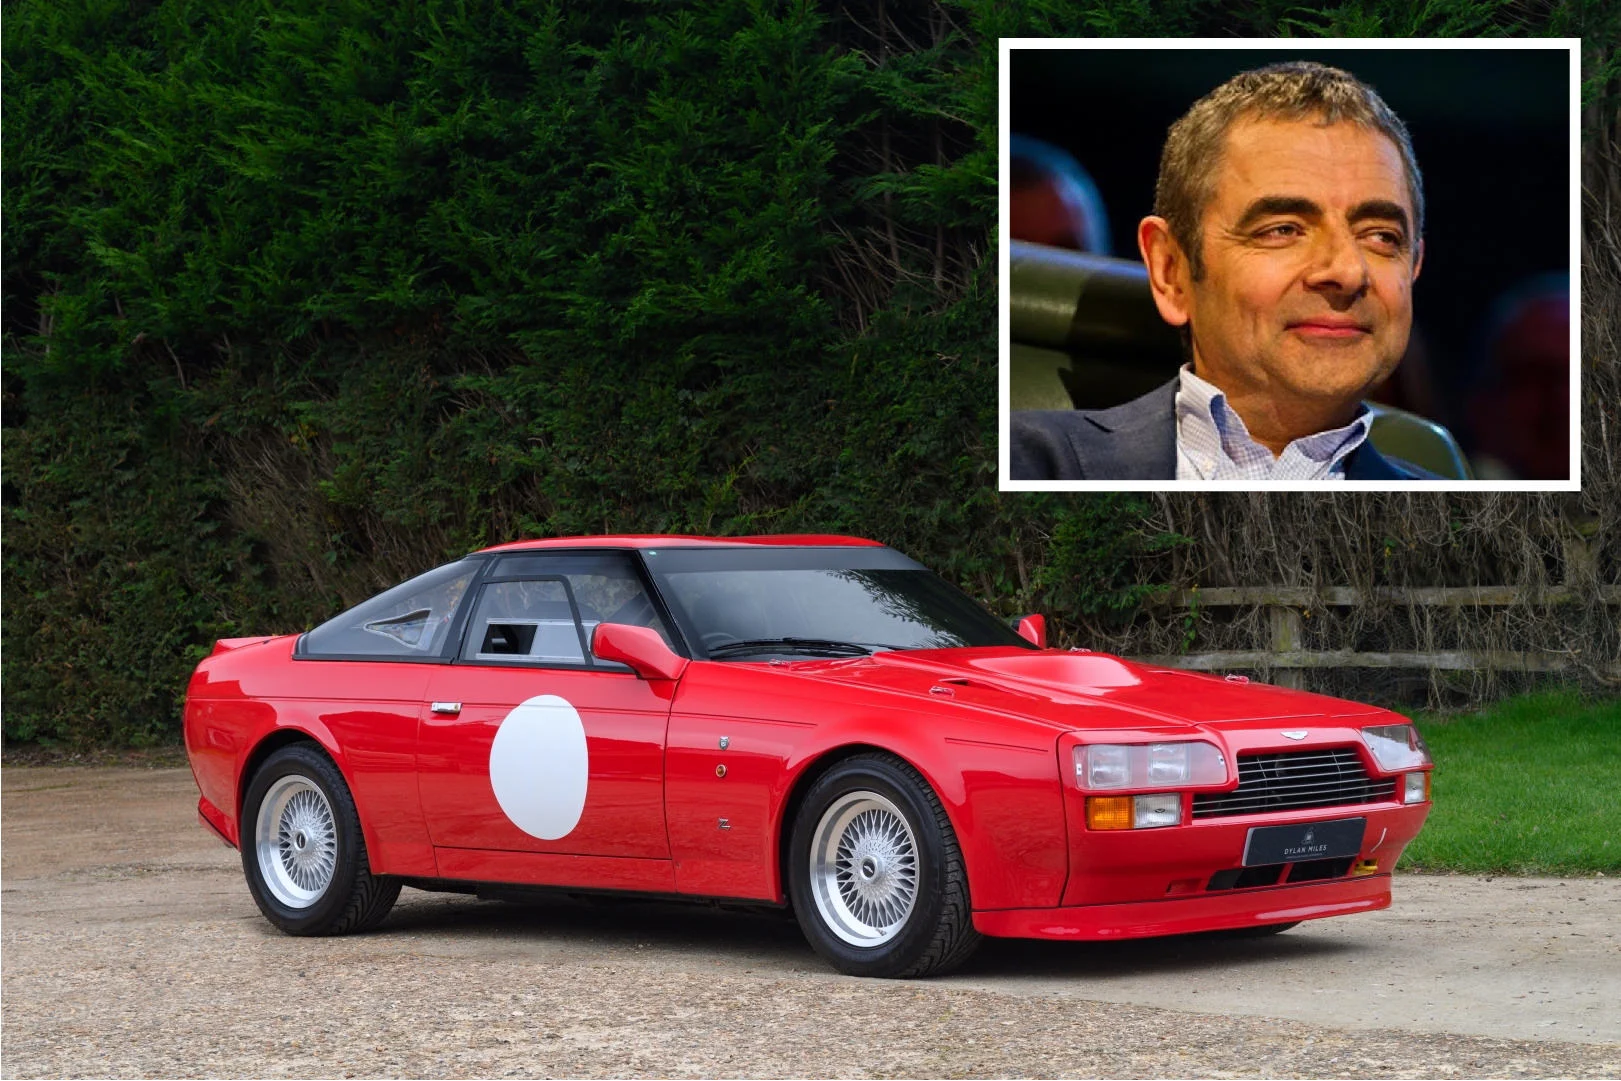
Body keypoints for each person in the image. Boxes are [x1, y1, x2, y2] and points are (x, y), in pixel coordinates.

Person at [1011, 62, 1438, 481]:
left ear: (1414, 264)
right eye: (1283, 230)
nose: (1347, 271)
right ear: (1171, 271)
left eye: (1381, 237)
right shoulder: (1025, 464)